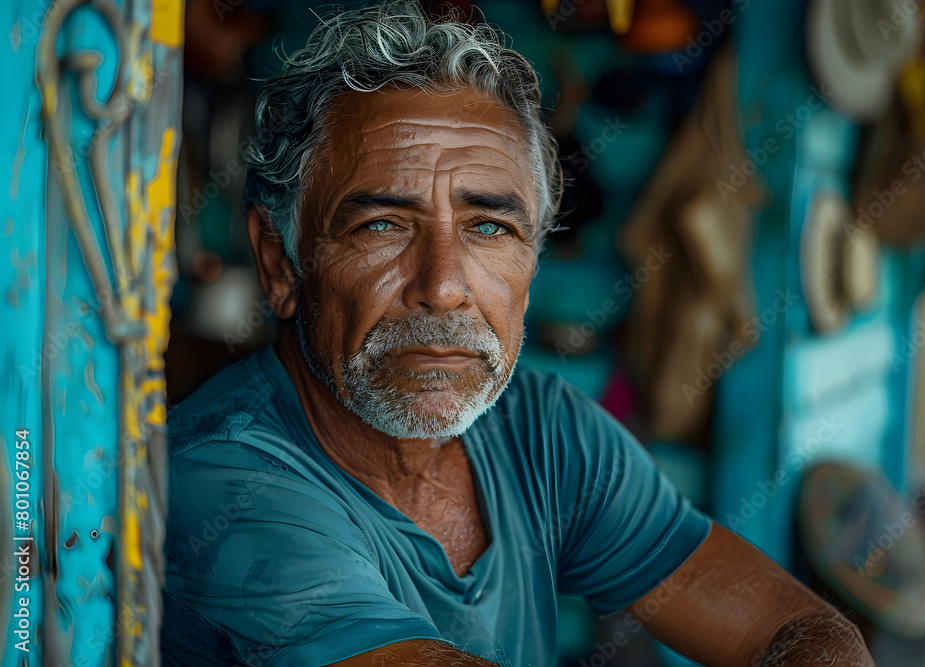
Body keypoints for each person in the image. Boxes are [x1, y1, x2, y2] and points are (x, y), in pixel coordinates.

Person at [161, 2, 876, 665]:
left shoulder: (543, 431)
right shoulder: (224, 482)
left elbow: (802, 631)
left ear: (532, 263)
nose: (443, 285)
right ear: (279, 263)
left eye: (489, 227)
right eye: (381, 224)